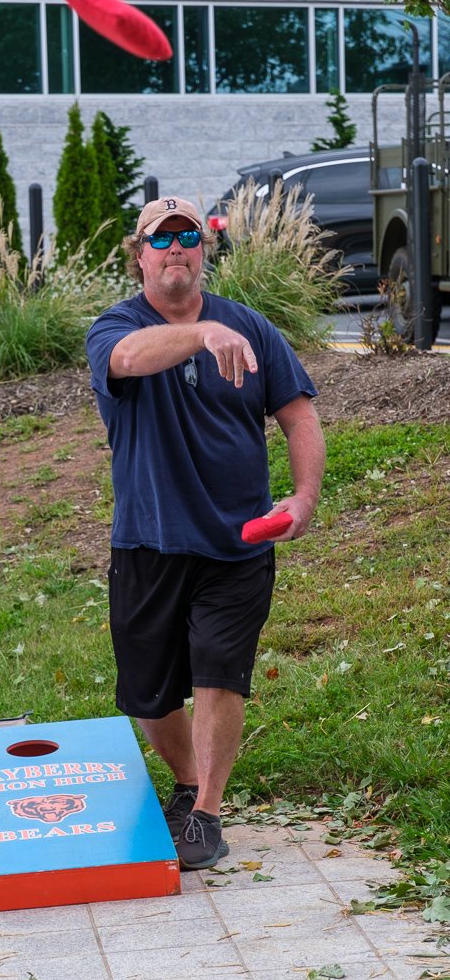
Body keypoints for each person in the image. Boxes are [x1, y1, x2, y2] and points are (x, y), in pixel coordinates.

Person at [85, 196, 325, 870]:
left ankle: (207, 814)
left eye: (188, 236)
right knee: (149, 696)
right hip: (149, 540)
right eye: (160, 240)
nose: (175, 249)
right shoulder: (116, 325)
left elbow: (300, 417)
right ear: (139, 255)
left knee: (221, 673)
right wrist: (200, 335)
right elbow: (128, 359)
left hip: (238, 541)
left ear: (203, 250)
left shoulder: (252, 328)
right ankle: (188, 783)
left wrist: (304, 496)